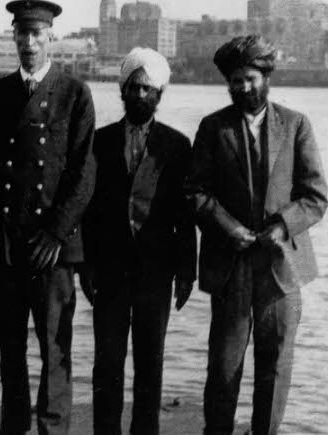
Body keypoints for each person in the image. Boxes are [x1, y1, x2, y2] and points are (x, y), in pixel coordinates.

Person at [186, 35, 328, 435]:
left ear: (266, 78)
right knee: (223, 367)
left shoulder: (296, 124)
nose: (242, 88)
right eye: (235, 81)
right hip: (231, 268)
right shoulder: (213, 128)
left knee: (276, 365)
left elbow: (315, 196)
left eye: (249, 78)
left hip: (282, 269)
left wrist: (282, 225)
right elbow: (195, 191)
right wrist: (226, 226)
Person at [0, 0, 96, 435]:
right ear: (13, 37)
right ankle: (12, 426)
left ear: (52, 39)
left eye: (37, 35)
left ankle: (52, 429)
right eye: (22, 34)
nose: (29, 43)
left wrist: (56, 233)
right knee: (9, 347)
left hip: (54, 250)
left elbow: (84, 175)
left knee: (55, 348)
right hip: (8, 245)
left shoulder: (74, 94)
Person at [81, 47, 196, 435]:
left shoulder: (177, 146)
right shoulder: (99, 142)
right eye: (134, 88)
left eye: (148, 89)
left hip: (156, 272)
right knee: (107, 362)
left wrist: (186, 272)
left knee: (151, 361)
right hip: (110, 271)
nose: (141, 95)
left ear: (160, 95)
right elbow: (89, 211)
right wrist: (87, 265)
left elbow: (185, 215)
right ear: (122, 91)